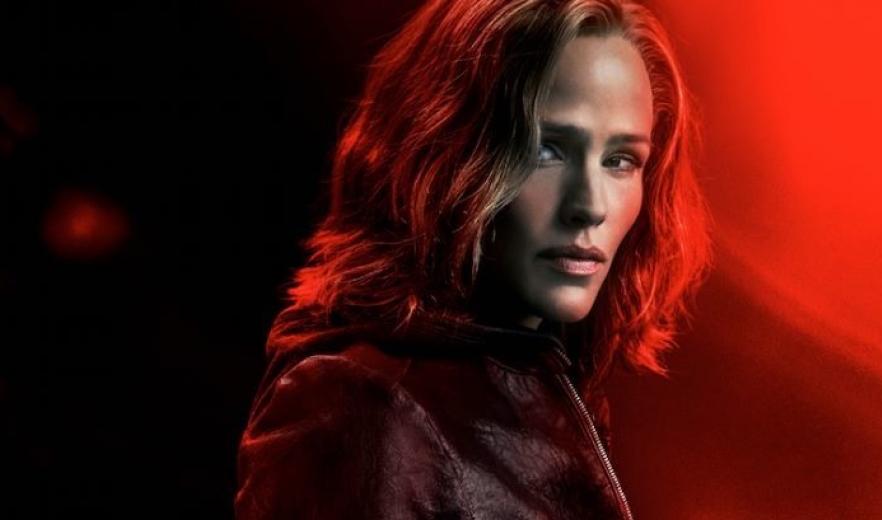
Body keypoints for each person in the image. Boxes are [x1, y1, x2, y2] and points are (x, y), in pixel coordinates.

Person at [235, 0, 711, 518]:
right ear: (446, 151)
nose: (591, 205)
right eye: (546, 149)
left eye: (620, 160)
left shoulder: (542, 388)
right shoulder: (367, 409)